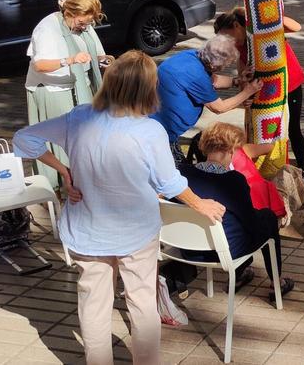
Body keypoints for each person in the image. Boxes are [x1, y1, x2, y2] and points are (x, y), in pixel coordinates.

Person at [12, 51, 225, 365]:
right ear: (148, 89)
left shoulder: (78, 117)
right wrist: (200, 204)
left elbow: (24, 139)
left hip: (87, 230)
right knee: (142, 303)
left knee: (94, 305)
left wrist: (65, 170)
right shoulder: (149, 130)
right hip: (135, 232)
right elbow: (169, 183)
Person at [160, 124, 295, 302]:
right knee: (267, 218)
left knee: (236, 223)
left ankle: (243, 272)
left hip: (188, 250)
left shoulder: (181, 174)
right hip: (225, 252)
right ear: (230, 150)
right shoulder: (233, 181)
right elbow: (251, 224)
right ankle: (276, 281)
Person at [25, 0, 111, 189]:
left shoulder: (84, 25)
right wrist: (70, 60)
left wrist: (109, 63)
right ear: (70, 13)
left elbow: (98, 54)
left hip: (80, 87)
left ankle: (81, 182)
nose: (85, 27)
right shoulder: (47, 28)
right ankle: (61, 186)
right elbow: (40, 65)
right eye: (82, 23)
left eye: (89, 23)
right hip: (52, 90)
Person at [213, 7, 304, 181]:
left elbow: (296, 27)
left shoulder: (259, 30)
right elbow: (243, 75)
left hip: (290, 84)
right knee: (262, 132)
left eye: (227, 36)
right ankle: (267, 172)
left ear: (236, 25)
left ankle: (303, 171)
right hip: (265, 93)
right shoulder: (239, 45)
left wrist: (257, 15)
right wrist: (246, 95)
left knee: (293, 129)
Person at [151, 34, 261, 164]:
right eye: (226, 64)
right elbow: (219, 107)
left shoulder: (192, 56)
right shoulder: (197, 75)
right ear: (215, 65)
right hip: (161, 134)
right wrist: (248, 91)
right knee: (178, 172)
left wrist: (238, 80)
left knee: (183, 167)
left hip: (159, 127)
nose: (226, 67)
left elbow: (214, 81)